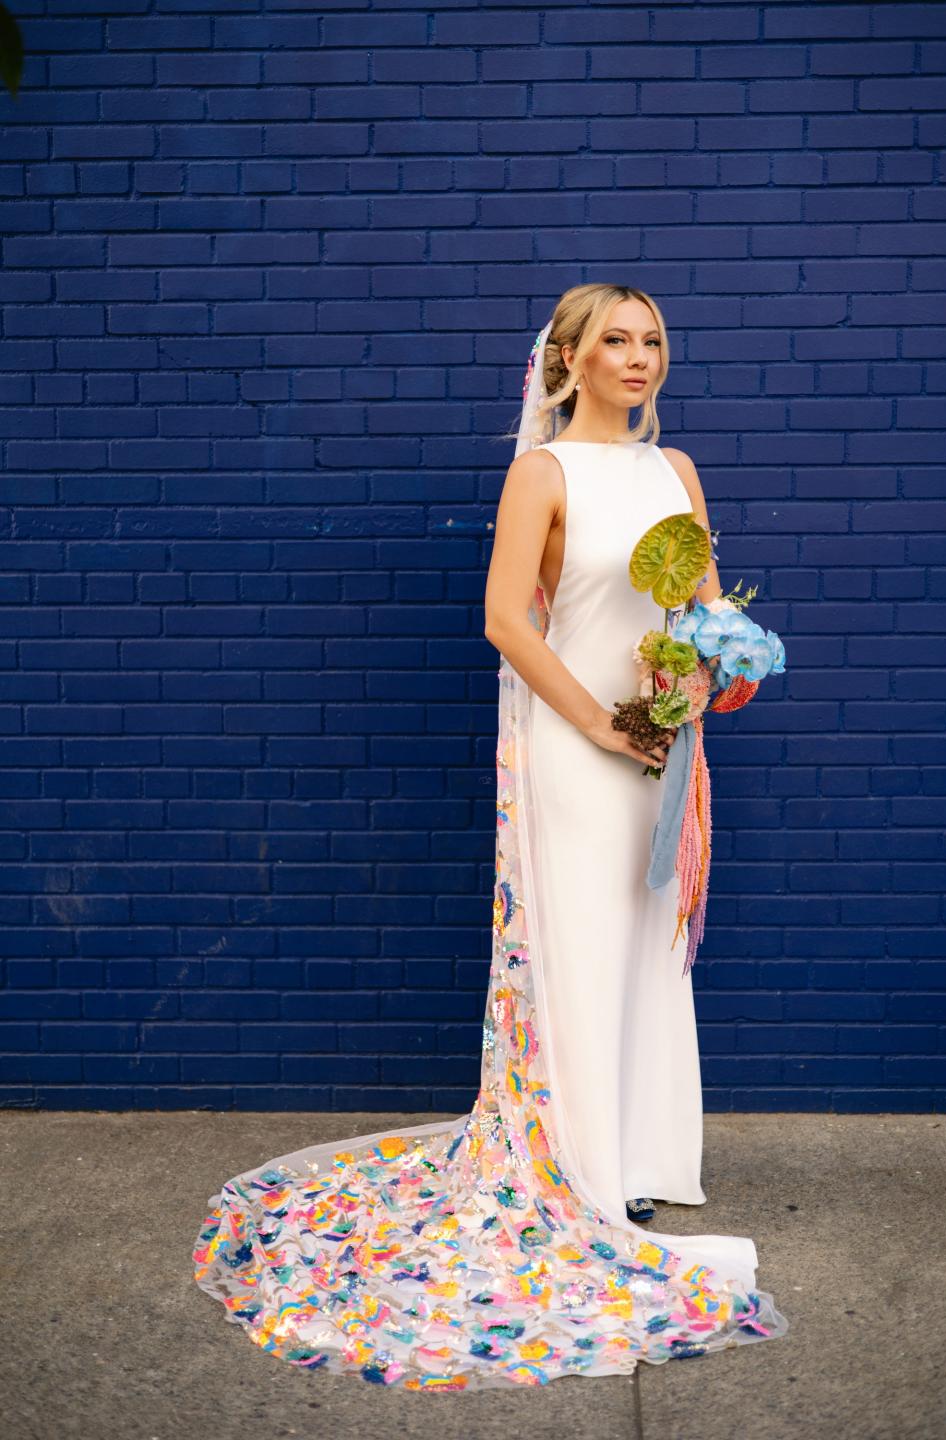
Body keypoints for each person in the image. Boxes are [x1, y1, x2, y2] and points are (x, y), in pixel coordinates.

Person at [192, 282, 789, 1390]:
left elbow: (702, 600)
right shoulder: (543, 473)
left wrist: (700, 678)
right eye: (616, 340)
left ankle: (639, 1162)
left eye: (653, 340)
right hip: (578, 750)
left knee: (650, 939)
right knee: (580, 948)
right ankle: (574, 1171)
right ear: (566, 359)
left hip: (662, 743)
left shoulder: (678, 473)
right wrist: (606, 726)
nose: (639, 357)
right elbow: (507, 618)